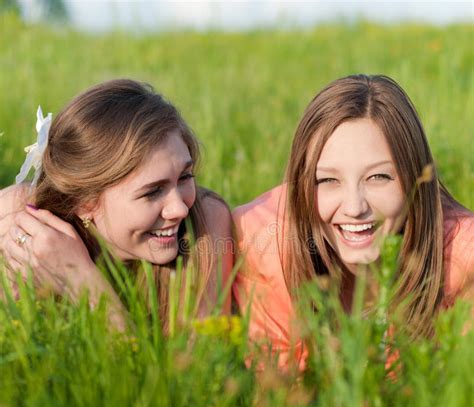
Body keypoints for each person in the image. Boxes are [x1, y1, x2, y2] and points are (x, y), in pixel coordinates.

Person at [233, 74, 473, 371]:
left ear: (414, 179)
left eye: (378, 177)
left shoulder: (464, 259)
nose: (355, 207)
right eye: (328, 180)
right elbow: (278, 397)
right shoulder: (264, 245)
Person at [0, 79, 233, 331]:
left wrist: (83, 282)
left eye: (185, 177)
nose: (180, 209)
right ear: (85, 202)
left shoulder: (205, 220)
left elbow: (193, 367)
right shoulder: (17, 221)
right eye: (153, 191)